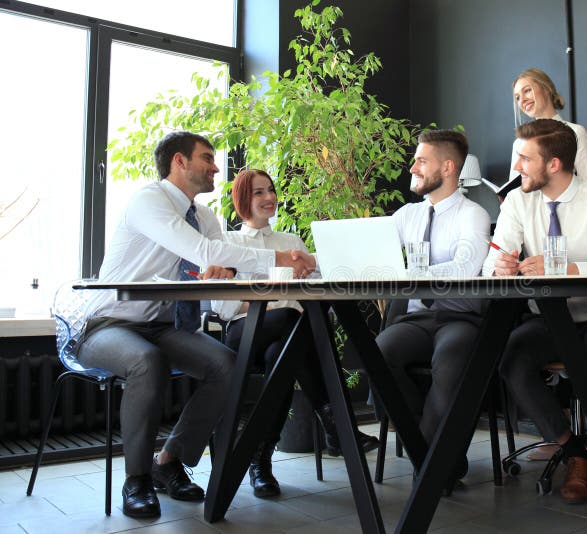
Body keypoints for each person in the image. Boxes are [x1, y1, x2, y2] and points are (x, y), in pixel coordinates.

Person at [76, 132, 316, 518]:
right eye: (207, 158)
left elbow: (215, 264)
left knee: (226, 365)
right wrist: (282, 257)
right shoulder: (147, 201)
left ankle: (168, 460)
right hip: (109, 323)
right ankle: (136, 480)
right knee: (146, 362)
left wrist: (217, 272)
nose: (216, 167)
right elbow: (203, 251)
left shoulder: (203, 217)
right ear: (179, 162)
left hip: (162, 325)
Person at [484, 119, 587, 504]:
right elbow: (491, 262)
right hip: (550, 322)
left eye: (524, 158)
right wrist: (499, 267)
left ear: (554, 164)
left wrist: (569, 268)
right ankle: (575, 453)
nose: (516, 168)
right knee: (511, 357)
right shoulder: (519, 204)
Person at [211, 169, 379, 499]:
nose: (269, 197)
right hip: (244, 335)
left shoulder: (291, 243)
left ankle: (261, 462)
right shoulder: (229, 243)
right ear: (243, 198)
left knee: (282, 357)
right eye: (258, 192)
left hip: (285, 338)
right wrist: (273, 307)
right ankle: (334, 422)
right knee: (291, 318)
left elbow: (326, 277)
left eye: (271, 190)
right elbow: (224, 308)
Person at [377, 130, 490, 484]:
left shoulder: (473, 214)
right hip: (419, 317)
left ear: (448, 167)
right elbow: (369, 251)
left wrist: (411, 272)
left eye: (421, 160)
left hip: (460, 316)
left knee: (452, 361)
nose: (413, 167)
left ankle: (428, 460)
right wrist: (309, 260)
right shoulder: (407, 215)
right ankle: (433, 456)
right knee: (377, 354)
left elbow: (465, 267)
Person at [508, 68, 587, 185]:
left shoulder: (576, 133)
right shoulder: (519, 143)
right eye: (517, 97)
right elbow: (515, 189)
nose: (522, 100)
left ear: (546, 89)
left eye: (527, 90)